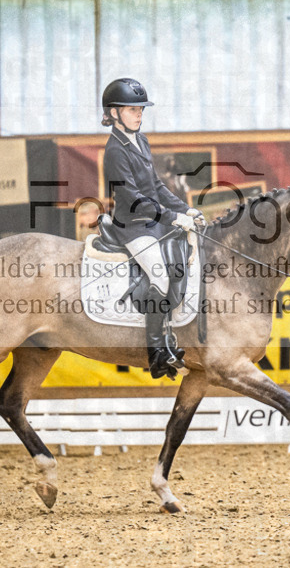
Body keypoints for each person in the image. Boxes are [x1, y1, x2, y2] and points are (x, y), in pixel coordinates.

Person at [100, 77, 203, 379]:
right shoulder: (115, 151)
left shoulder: (140, 141)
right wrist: (172, 218)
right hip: (132, 225)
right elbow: (132, 198)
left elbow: (156, 186)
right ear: (114, 113)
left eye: (141, 109)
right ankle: (157, 352)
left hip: (152, 221)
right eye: (132, 110)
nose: (139, 114)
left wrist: (185, 209)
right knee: (159, 273)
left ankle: (174, 336)